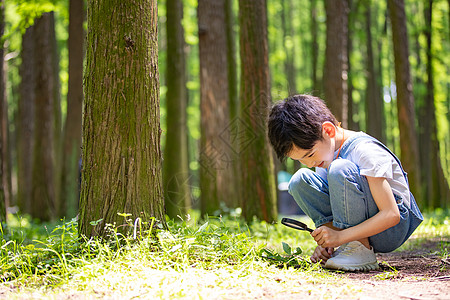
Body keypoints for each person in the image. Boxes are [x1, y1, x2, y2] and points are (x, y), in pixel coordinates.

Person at [268, 94, 423, 271]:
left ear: (328, 131)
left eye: (310, 155)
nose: (310, 163)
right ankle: (346, 249)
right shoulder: (324, 157)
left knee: (338, 168)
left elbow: (391, 214)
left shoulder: (364, 151)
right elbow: (338, 206)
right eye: (300, 159)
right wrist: (328, 242)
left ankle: (359, 250)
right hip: (361, 226)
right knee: (299, 181)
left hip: (391, 228)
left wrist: (341, 237)